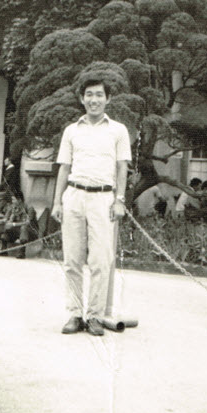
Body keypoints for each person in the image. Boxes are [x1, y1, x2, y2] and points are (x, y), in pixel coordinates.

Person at [52, 78, 131, 337]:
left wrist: (119, 200)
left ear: (108, 99)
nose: (93, 100)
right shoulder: (71, 130)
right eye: (89, 94)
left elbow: (122, 168)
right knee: (72, 259)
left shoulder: (118, 130)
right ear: (82, 98)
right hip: (74, 195)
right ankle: (75, 314)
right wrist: (57, 201)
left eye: (99, 95)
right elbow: (64, 167)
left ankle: (95, 317)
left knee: (100, 259)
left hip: (103, 199)